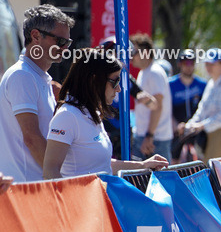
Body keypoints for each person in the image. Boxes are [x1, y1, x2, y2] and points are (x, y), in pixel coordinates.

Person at [42, 49, 167, 178]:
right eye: (115, 82)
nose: (118, 89)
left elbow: (104, 165)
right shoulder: (67, 116)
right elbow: (50, 171)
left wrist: (143, 165)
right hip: (82, 197)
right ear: (94, 80)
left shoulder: (91, 113)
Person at [0, 4, 73, 182]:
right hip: (26, 190)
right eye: (61, 42)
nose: (65, 48)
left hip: (32, 188)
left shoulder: (37, 76)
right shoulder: (22, 75)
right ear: (35, 36)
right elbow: (32, 138)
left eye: (68, 42)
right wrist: (61, 181)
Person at [184, 49, 221, 161]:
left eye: (212, 64)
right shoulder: (211, 83)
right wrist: (190, 124)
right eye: (207, 64)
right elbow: (202, 108)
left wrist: (201, 125)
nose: (208, 67)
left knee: (218, 174)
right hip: (211, 135)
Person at [129, 33, 174, 161]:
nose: (131, 56)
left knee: (161, 180)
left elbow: (157, 107)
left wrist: (149, 136)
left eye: (134, 52)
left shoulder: (154, 72)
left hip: (155, 140)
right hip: (150, 137)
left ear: (146, 52)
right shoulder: (145, 72)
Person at [169, 48, 207, 162]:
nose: (189, 66)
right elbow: (167, 109)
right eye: (186, 62)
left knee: (201, 160)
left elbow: (206, 108)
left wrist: (198, 125)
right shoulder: (170, 84)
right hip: (178, 130)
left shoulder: (202, 85)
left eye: (192, 62)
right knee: (174, 161)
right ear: (180, 64)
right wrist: (175, 125)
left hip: (197, 130)